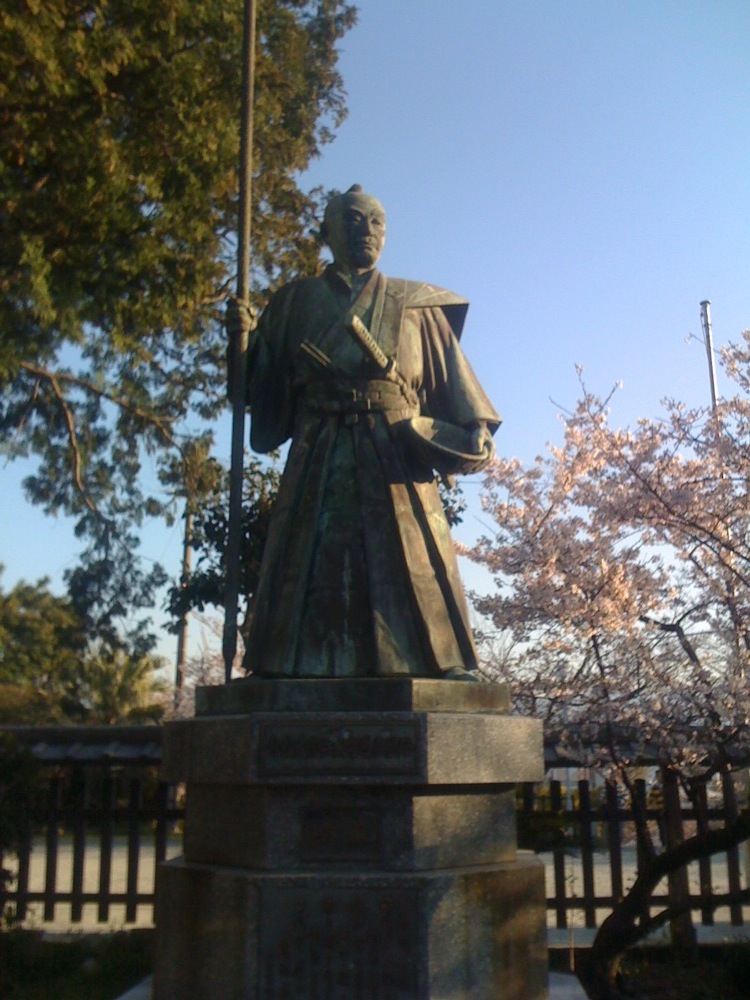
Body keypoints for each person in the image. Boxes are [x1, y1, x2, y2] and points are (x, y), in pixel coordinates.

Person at [227, 185, 500, 680]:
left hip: (396, 447)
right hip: (319, 448)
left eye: (376, 222)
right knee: (309, 560)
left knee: (415, 556)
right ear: (328, 229)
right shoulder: (293, 302)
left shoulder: (416, 305)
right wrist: (242, 343)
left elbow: (452, 383)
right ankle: (285, 664)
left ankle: (442, 663)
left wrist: (476, 429)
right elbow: (259, 392)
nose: (366, 231)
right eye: (353, 220)